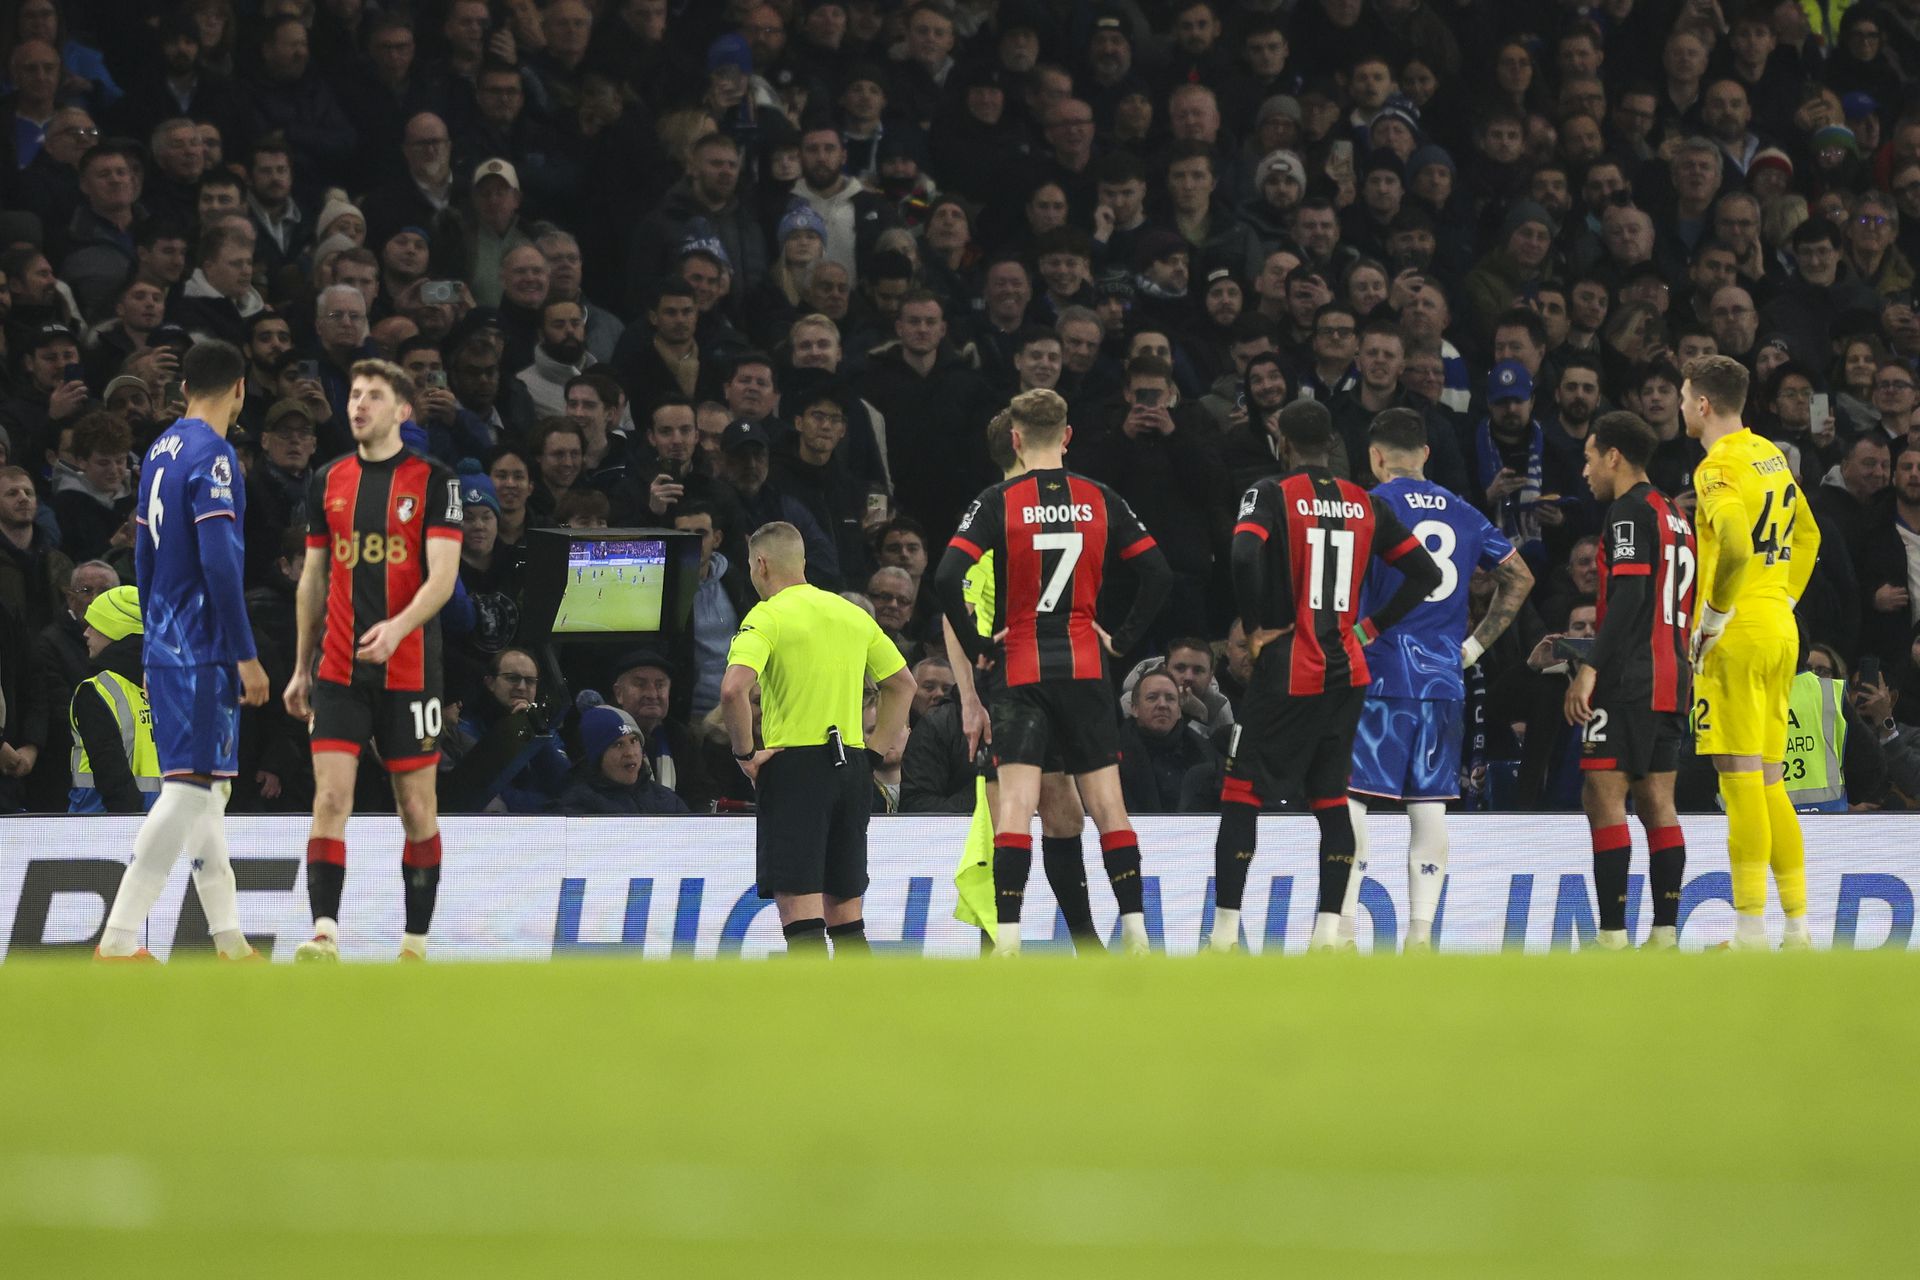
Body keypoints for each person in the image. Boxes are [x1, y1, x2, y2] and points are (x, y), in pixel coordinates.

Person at [934, 388, 1175, 956]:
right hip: (1086, 667)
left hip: (1020, 666)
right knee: (1108, 807)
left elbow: (947, 577)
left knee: (1015, 804)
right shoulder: (1099, 496)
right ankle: (1137, 935)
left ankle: (1011, 940)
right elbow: (1159, 574)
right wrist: (1124, 640)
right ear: (1067, 437)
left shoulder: (998, 499)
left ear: (1015, 439)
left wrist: (978, 645)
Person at [1208, 400, 1443, 954]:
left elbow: (1243, 556)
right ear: (1332, 443)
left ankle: (1221, 938)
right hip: (1348, 668)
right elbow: (1425, 574)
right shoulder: (1365, 503)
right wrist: (1370, 628)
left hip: (1290, 665)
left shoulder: (1269, 493)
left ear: (1283, 442)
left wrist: (1258, 626)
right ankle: (1325, 935)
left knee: (1242, 795)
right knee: (1331, 798)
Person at [284, 359, 463, 962]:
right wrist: (300, 666)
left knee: (416, 808)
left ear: (402, 411)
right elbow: (313, 577)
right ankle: (325, 932)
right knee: (331, 798)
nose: (358, 405)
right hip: (338, 669)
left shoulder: (436, 481)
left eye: (374, 396)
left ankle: (415, 941)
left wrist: (398, 627)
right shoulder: (327, 479)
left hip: (411, 670)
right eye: (354, 394)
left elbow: (442, 579)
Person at [97, 339, 268, 962]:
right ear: (240, 389)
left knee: (206, 793)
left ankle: (231, 943)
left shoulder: (159, 450)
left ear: (184, 387)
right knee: (192, 789)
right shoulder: (216, 457)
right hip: (202, 646)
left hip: (166, 638)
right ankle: (117, 941)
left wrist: (156, 628)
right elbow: (220, 560)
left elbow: (143, 555)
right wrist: (243, 652)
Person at [1341, 409, 1533, 952]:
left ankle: (1347, 925)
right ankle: (1421, 934)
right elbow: (1519, 576)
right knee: (1428, 807)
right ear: (1426, 453)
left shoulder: (1368, 504)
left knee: (1352, 800)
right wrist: (1472, 649)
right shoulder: (1465, 511)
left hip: (1377, 672)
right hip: (1442, 679)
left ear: (1376, 457)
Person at [721, 521, 915, 956]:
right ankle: (863, 1018)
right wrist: (873, 753)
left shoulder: (768, 615)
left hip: (796, 768)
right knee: (847, 919)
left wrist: (745, 754)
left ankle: (812, 1020)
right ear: (803, 563)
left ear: (761, 564)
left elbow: (733, 689)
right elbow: (903, 684)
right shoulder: (851, 614)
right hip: (851, 769)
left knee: (802, 917)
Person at [1682, 355, 1822, 951]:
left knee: (1739, 780)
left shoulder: (1716, 469)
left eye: (1686, 397)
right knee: (1769, 782)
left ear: (1704, 404)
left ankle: (1748, 933)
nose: (1684, 405)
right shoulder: (1769, 454)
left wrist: (1713, 619)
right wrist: (1780, 599)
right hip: (1777, 628)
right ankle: (1796, 930)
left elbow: (1735, 542)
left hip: (1736, 634)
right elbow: (1809, 535)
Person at [1563, 413, 1698, 952]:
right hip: (1672, 675)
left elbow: (1631, 597)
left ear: (1614, 456)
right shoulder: (1673, 514)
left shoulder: (1626, 512)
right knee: (1657, 801)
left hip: (1629, 678)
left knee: (1602, 796)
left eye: (1590, 456)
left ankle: (1613, 936)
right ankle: (1664, 933)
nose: (1585, 469)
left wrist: (1590, 667)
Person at [66, 584, 158, 815]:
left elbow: (110, 771)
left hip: (99, 826)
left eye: (95, 625)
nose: (85, 632)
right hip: (164, 825)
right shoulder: (172, 687)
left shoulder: (97, 690)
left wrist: (129, 820)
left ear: (117, 629)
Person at [555, 705, 690, 815]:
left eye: (634, 741)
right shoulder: (578, 809)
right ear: (597, 756)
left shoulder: (667, 800)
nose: (630, 753)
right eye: (618, 745)